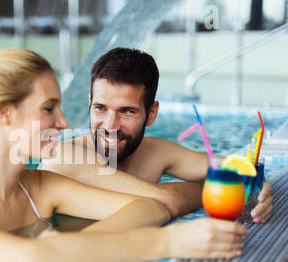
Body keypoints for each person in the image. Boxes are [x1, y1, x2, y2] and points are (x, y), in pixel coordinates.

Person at [0, 48, 248, 262]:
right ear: (4, 112)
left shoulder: (41, 187)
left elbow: (151, 207)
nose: (62, 122)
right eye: (49, 108)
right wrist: (171, 243)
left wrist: (73, 246)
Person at [40, 47, 273, 223]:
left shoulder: (155, 152)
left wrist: (257, 186)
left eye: (127, 111)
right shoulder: (62, 156)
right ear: (90, 102)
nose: (110, 125)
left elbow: (236, 168)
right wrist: (211, 188)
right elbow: (165, 201)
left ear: (151, 114)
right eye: (101, 108)